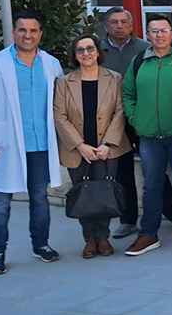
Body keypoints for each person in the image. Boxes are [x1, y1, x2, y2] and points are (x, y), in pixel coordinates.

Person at [0, 11, 65, 275]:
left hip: (40, 145)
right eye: (22, 30)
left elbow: (60, 104)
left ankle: (41, 245)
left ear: (40, 34)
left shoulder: (50, 63)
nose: (28, 35)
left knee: (40, 198)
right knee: (1, 201)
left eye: (33, 30)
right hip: (6, 145)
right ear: (13, 32)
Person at [122, 14, 172, 256]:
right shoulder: (139, 61)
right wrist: (137, 119)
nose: (159, 35)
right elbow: (128, 94)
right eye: (154, 31)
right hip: (149, 139)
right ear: (147, 35)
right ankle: (149, 233)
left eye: (164, 30)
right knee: (152, 187)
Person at [99, 6, 172, 240]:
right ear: (106, 27)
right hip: (112, 119)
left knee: (154, 170)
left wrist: (136, 117)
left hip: (144, 118)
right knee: (121, 171)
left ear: (132, 25)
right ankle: (128, 219)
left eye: (124, 22)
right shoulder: (99, 50)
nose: (119, 26)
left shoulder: (145, 49)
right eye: (114, 22)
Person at [54, 34, 132, 259]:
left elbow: (120, 111)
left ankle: (104, 237)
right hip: (78, 150)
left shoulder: (115, 78)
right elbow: (59, 116)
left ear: (98, 51)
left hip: (107, 148)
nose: (86, 53)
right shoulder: (64, 83)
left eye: (90, 48)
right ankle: (89, 238)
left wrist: (107, 143)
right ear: (75, 55)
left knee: (104, 192)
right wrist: (80, 145)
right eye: (80, 50)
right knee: (84, 194)